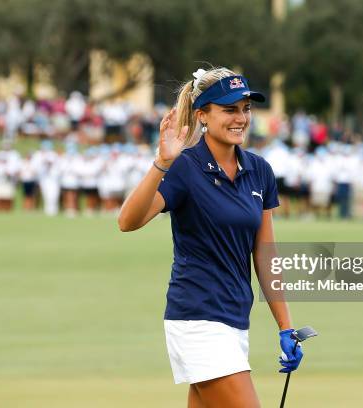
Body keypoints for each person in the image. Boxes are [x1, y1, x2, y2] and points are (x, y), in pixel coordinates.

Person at [118, 67, 304, 407]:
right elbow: (128, 221)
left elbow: (265, 255)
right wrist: (162, 162)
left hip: (235, 320)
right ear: (202, 115)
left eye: (246, 108)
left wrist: (285, 327)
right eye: (230, 109)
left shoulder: (259, 170)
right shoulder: (185, 167)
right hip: (198, 318)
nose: (241, 118)